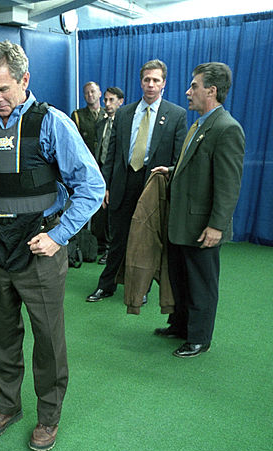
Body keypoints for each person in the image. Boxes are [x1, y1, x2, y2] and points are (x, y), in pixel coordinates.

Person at [0, 41, 105, 451]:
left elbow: (92, 187)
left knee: (48, 338)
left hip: (40, 247)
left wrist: (59, 235)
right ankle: (6, 406)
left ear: (24, 80)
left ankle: (48, 415)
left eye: (3, 90)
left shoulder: (53, 124)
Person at [151, 62, 245, 358]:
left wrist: (217, 226)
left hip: (202, 226)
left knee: (201, 283)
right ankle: (180, 325)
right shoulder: (200, 123)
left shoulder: (226, 128)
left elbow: (228, 185)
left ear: (212, 91)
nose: (188, 92)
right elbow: (196, 165)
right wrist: (172, 169)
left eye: (194, 86)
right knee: (180, 278)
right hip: (182, 223)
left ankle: (199, 338)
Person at [86, 59, 187, 303]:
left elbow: (179, 160)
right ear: (140, 82)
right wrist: (106, 186)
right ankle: (106, 285)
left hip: (152, 186)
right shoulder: (123, 113)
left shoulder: (176, 115)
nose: (151, 85)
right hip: (123, 183)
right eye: (147, 80)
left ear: (164, 84)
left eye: (156, 80)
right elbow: (111, 154)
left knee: (146, 242)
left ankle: (140, 289)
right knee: (117, 239)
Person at [94, 86, 125, 264]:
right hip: (101, 173)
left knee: (114, 214)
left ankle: (113, 250)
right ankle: (103, 246)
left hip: (118, 175)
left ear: (120, 102)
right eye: (105, 100)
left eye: (111, 100)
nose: (107, 104)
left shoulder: (124, 124)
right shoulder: (101, 123)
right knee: (102, 213)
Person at [70, 81, 103, 158]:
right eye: (86, 93)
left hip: (104, 162)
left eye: (92, 91)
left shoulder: (108, 114)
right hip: (86, 158)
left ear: (100, 94)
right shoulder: (77, 116)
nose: (90, 94)